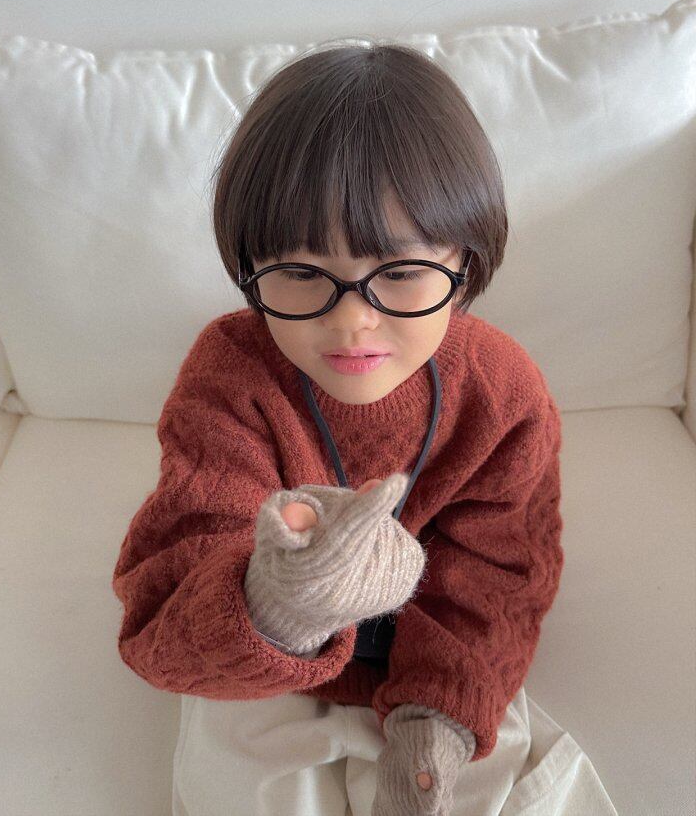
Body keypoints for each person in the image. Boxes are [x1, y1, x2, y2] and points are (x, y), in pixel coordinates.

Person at [111, 41, 618, 815]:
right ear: (249, 266)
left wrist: (435, 723)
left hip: (440, 667)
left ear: (465, 264)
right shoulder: (230, 375)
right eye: (302, 273)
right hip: (264, 664)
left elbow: (497, 578)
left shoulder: (501, 390)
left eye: (402, 273)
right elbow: (166, 604)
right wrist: (280, 599)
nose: (352, 321)